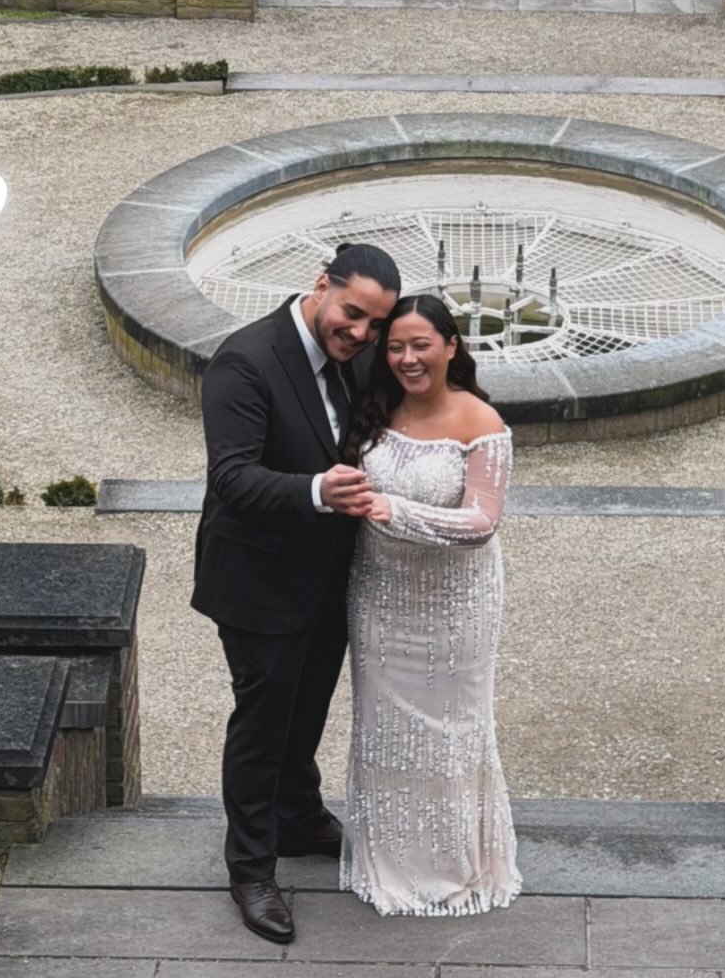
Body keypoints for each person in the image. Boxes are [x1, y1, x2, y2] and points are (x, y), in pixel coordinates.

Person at [191, 244, 401, 944]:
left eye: (375, 324)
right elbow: (231, 478)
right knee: (263, 723)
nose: (361, 333)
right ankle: (251, 869)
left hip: (330, 574)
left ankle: (298, 815)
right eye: (352, 314)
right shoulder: (245, 361)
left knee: (307, 705)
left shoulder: (359, 358)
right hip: (258, 581)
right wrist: (316, 490)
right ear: (320, 285)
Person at [339, 293, 522, 917]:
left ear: (451, 346)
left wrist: (394, 509)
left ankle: (450, 864)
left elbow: (482, 523)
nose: (407, 359)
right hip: (378, 597)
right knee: (383, 729)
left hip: (456, 606)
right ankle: (389, 859)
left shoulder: (482, 423)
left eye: (421, 345)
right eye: (395, 347)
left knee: (450, 732)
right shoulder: (375, 405)